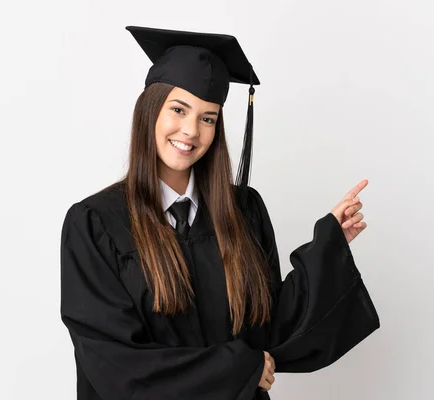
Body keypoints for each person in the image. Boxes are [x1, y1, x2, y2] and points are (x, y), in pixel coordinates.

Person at [60, 25, 380, 400]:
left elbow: (270, 328)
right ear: (149, 111)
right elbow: (112, 361)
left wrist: (329, 247)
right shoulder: (96, 223)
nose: (191, 131)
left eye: (208, 118)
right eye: (178, 110)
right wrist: (238, 369)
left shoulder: (243, 212)